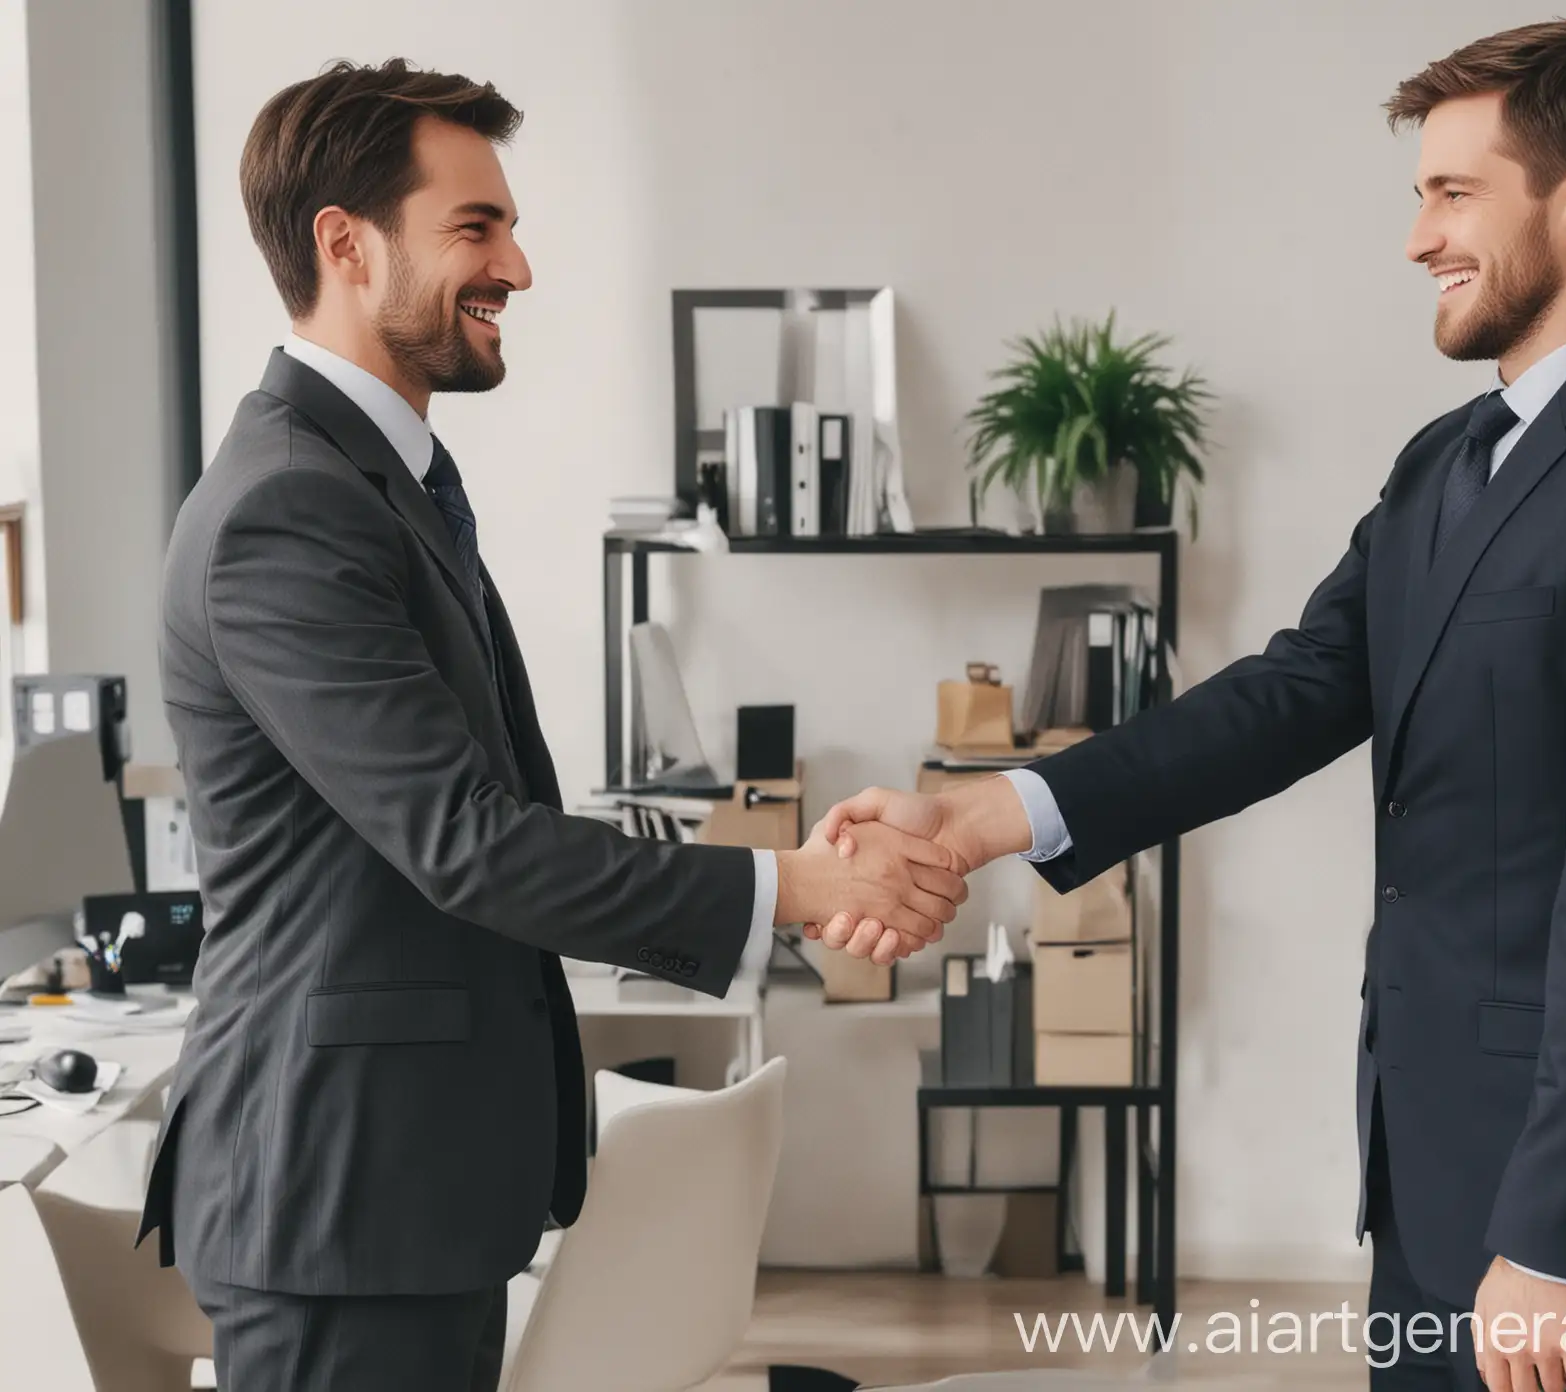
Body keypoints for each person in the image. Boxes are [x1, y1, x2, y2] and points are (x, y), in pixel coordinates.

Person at [816, 21, 1566, 1392]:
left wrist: (1563, 1242)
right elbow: (1289, 695)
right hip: (1430, 1168)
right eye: (1420, 198)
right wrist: (985, 814)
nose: (1416, 239)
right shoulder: (1446, 463)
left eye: (1453, 194)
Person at [137, 59, 959, 1390]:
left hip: (406, 1193)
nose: (517, 266)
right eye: (476, 226)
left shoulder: (377, 484)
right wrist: (798, 884)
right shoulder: (288, 509)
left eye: (508, 226)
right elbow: (467, 842)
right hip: (335, 1200)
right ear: (344, 244)